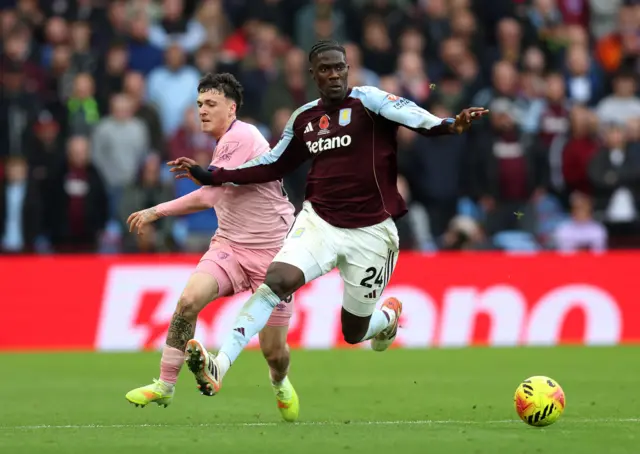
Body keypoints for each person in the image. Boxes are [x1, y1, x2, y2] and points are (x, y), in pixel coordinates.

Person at [170, 40, 488, 397]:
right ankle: (220, 364)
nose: (334, 74)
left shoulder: (370, 102)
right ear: (313, 75)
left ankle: (386, 319)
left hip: (372, 233)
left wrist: (449, 125)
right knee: (276, 280)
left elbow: (415, 117)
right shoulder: (304, 119)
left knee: (353, 332)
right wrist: (213, 175)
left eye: (339, 67)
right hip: (319, 223)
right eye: (325, 69)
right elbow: (272, 162)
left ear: (347, 69)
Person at [124, 73, 300, 422]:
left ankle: (280, 384)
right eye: (199, 104)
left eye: (211, 104)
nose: (202, 110)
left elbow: (211, 194)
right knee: (188, 301)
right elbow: (215, 186)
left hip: (274, 255)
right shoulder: (223, 144)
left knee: (274, 352)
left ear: (231, 108)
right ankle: (165, 384)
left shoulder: (243, 135)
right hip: (230, 245)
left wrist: (154, 211)